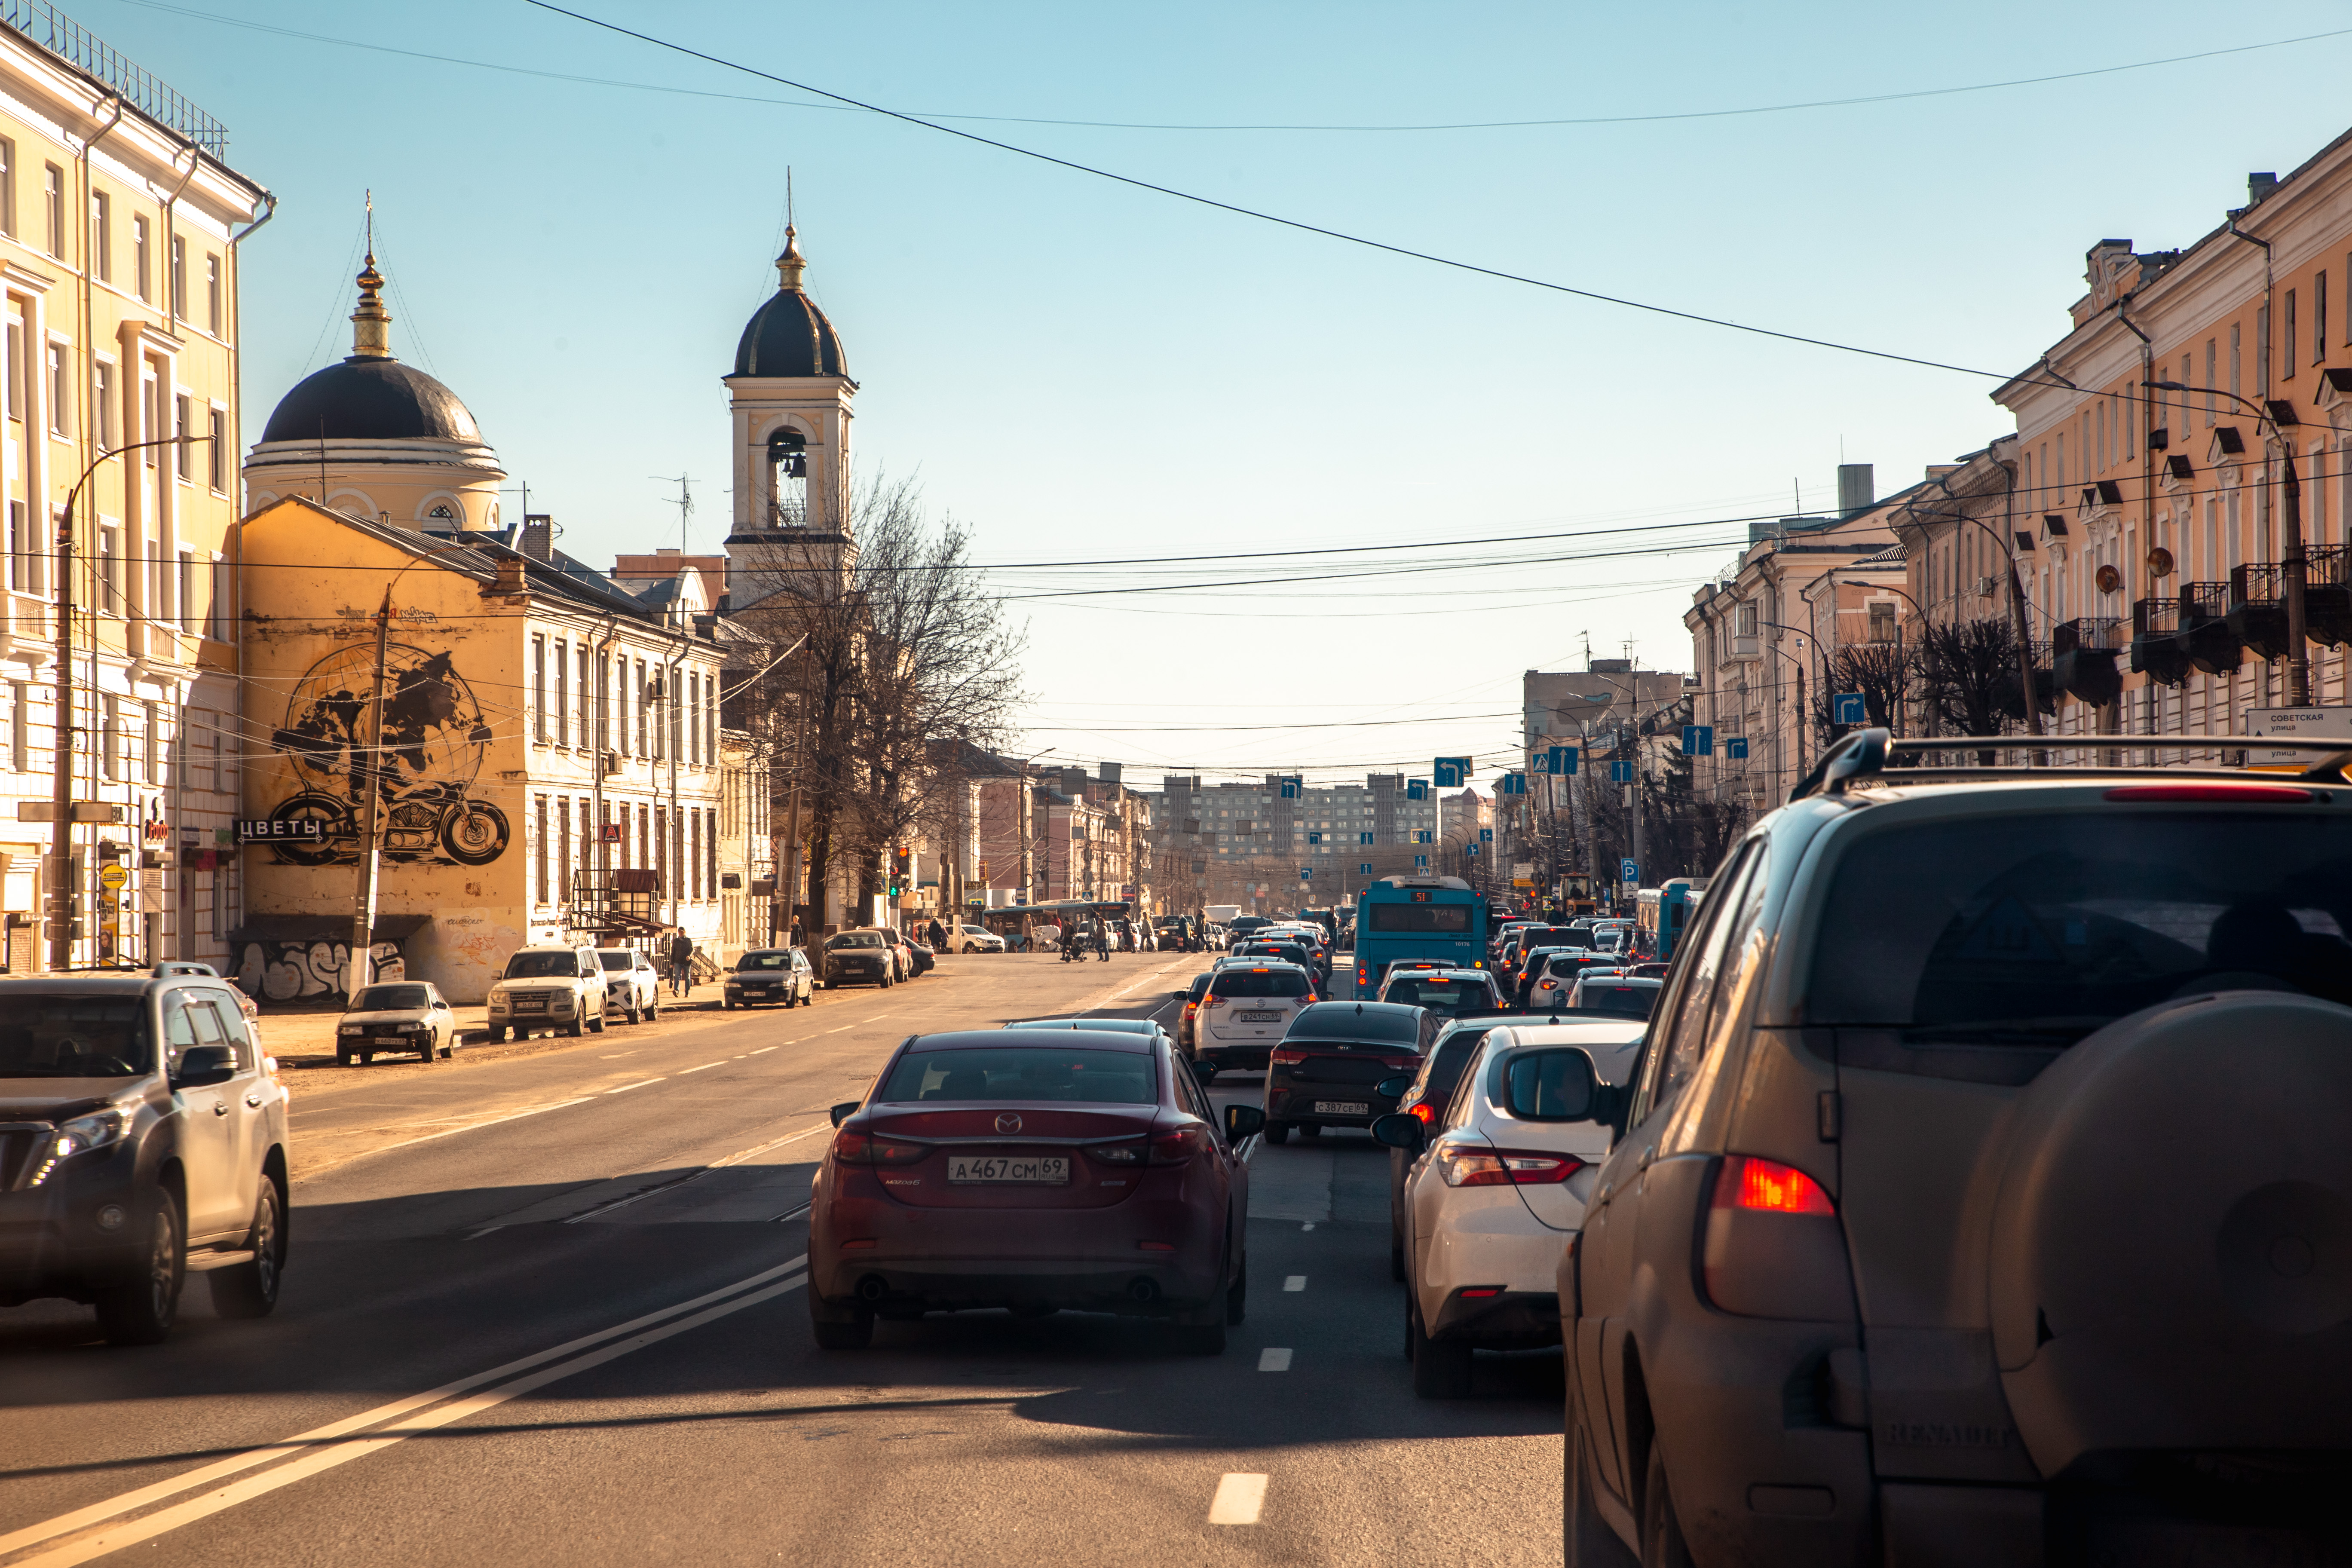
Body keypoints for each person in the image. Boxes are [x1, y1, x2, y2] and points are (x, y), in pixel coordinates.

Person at [668, 928, 695, 998]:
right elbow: (673, 952)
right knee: (677, 976)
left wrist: (689, 956)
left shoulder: (688, 940)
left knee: (687, 977)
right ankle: (676, 991)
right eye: (679, 932)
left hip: (686, 962)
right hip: (678, 961)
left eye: (682, 932)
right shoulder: (676, 941)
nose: (680, 933)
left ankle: (687, 992)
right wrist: (672, 963)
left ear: (684, 933)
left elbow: (692, 950)